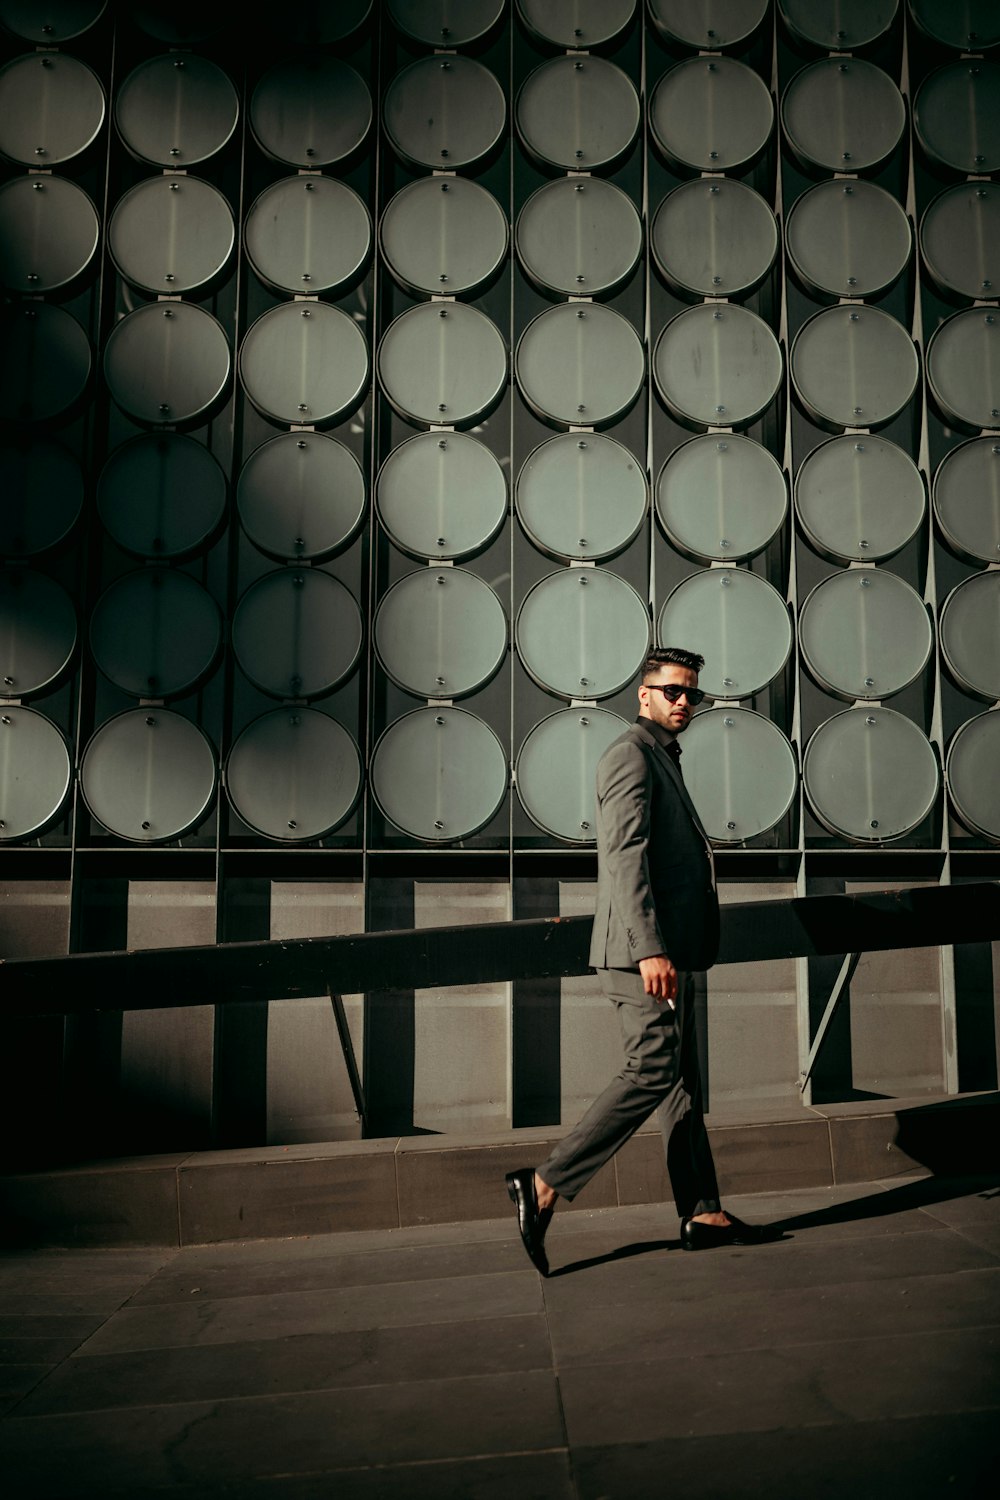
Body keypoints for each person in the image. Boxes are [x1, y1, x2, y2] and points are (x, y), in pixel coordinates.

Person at [506, 646, 774, 1275]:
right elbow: (622, 858)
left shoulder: (660, 756)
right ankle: (543, 1184)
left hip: (665, 950)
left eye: (692, 694)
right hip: (638, 953)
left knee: (682, 1081)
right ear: (643, 695)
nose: (684, 702)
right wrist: (650, 947)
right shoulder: (629, 754)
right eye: (673, 691)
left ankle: (703, 1212)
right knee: (652, 1068)